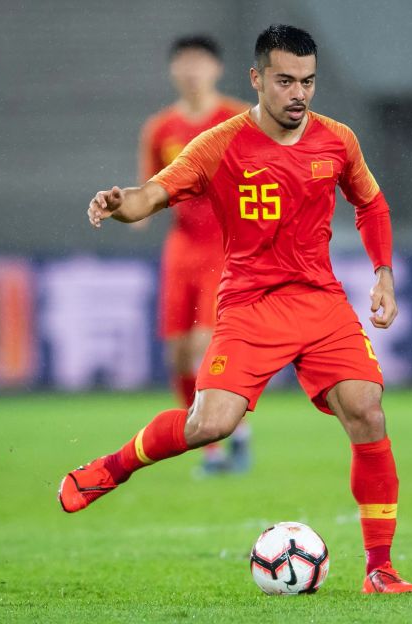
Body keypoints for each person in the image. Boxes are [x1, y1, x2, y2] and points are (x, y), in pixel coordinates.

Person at [59, 24, 412, 594]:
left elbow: (371, 204)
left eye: (308, 81)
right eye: (285, 81)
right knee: (211, 424)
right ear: (256, 79)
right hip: (250, 304)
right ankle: (115, 465)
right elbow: (154, 192)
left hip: (319, 300)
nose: (298, 93)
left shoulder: (337, 140)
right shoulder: (218, 145)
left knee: (367, 410)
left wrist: (383, 274)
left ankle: (380, 568)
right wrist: (120, 202)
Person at [138, 34, 251, 474]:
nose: (191, 70)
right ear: (173, 70)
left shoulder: (240, 118)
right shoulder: (160, 128)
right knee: (178, 353)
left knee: (207, 343)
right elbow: (148, 191)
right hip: (182, 246)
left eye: (199, 62)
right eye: (183, 62)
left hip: (227, 245)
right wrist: (125, 208)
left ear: (216, 68)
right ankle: (213, 445)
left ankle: (232, 430)